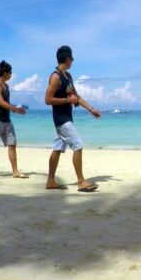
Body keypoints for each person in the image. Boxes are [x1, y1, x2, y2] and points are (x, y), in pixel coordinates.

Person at [44, 45, 100, 192]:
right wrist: (67, 101)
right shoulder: (55, 77)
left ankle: (50, 181)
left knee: (57, 148)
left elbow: (76, 97)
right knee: (78, 145)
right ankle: (81, 181)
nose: (73, 62)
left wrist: (91, 110)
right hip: (61, 119)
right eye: (72, 59)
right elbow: (48, 99)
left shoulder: (68, 77)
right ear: (67, 59)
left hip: (66, 118)